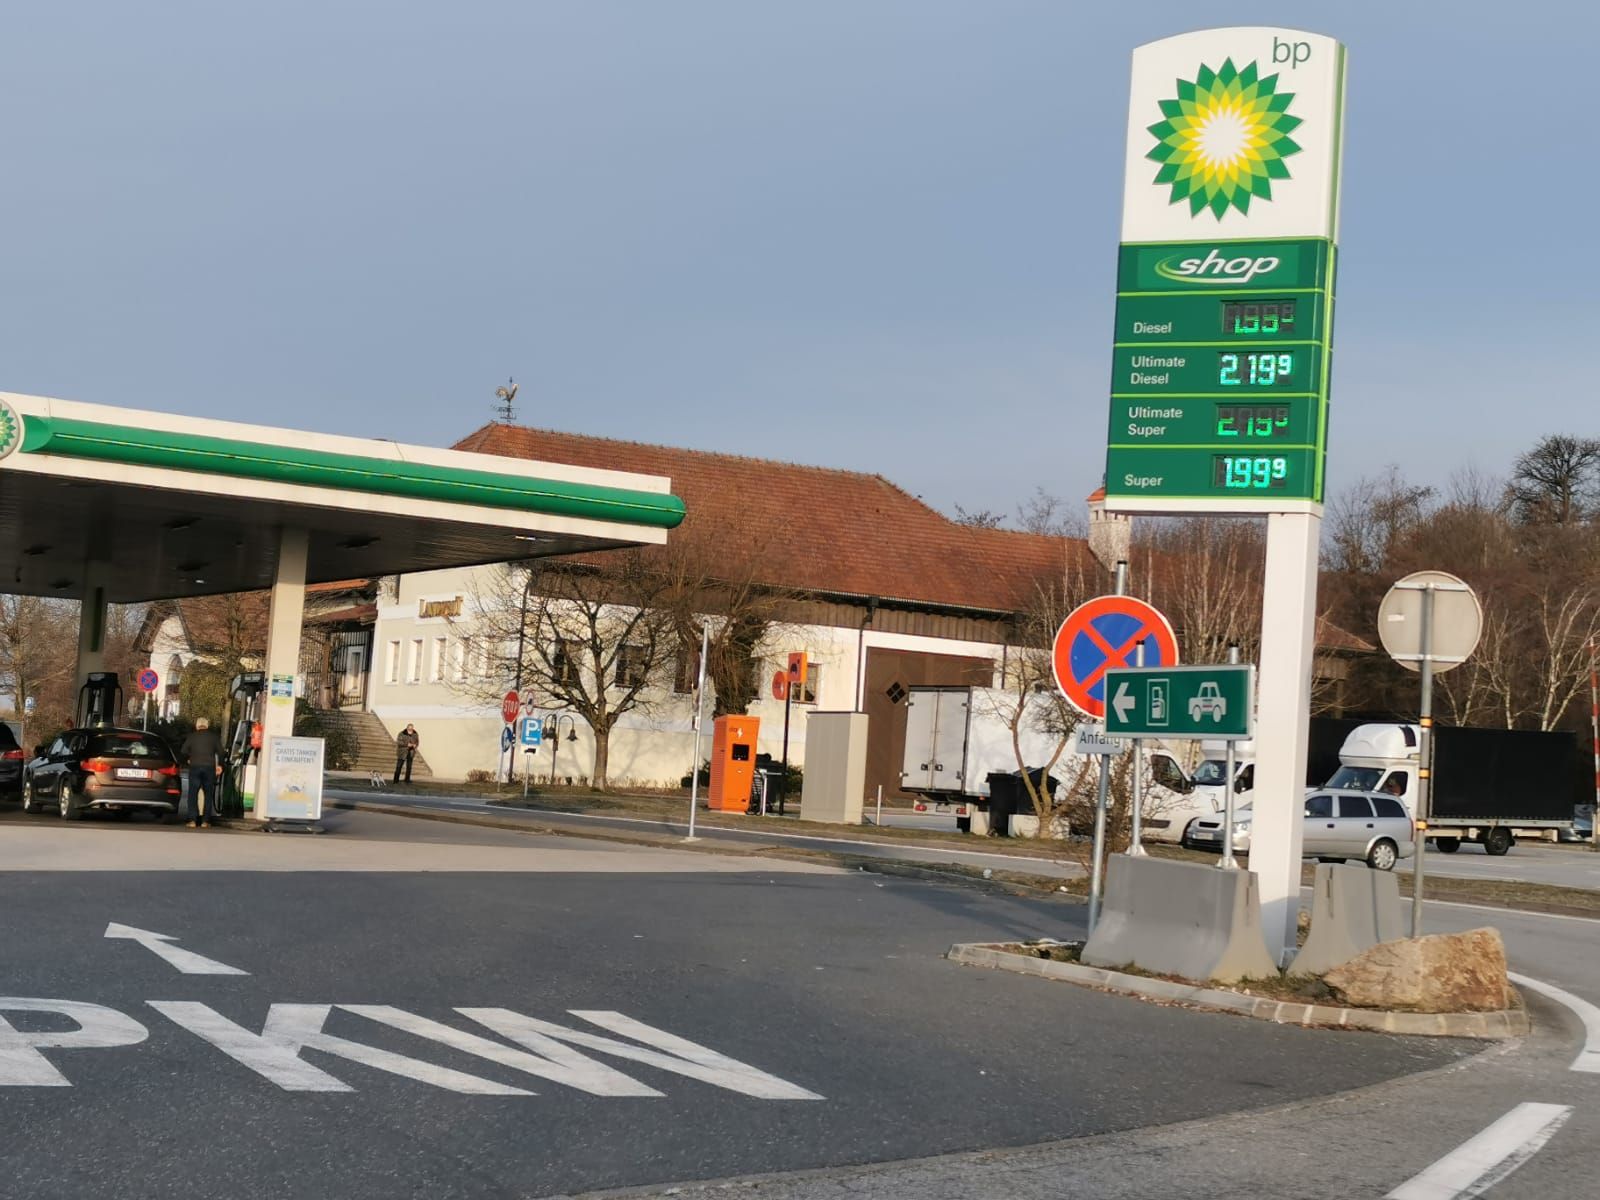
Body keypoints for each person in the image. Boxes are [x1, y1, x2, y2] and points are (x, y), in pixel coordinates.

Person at [180, 717, 223, 828]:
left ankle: (192, 820)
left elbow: (183, 751)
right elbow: (221, 752)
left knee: (193, 794)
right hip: (209, 768)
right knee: (208, 794)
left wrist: (188, 759)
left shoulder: (192, 736)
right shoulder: (214, 737)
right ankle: (205, 821)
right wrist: (220, 765)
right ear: (207, 726)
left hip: (195, 767)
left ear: (197, 726)